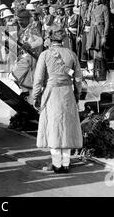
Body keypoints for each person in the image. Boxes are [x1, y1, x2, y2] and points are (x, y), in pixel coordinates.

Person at [32, 25, 83, 173]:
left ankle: (57, 164)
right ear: (63, 39)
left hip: (51, 93)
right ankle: (66, 163)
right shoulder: (72, 54)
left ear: (49, 38)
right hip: (67, 93)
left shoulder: (45, 55)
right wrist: (77, 94)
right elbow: (78, 78)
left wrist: (35, 96)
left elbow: (38, 79)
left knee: (53, 127)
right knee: (66, 128)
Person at [86, 0, 110, 80]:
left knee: (100, 52)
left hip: (100, 31)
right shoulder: (92, 8)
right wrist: (89, 8)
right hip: (93, 31)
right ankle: (96, 73)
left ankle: (102, 75)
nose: (96, 0)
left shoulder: (104, 7)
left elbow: (107, 22)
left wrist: (104, 36)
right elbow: (88, 19)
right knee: (94, 53)